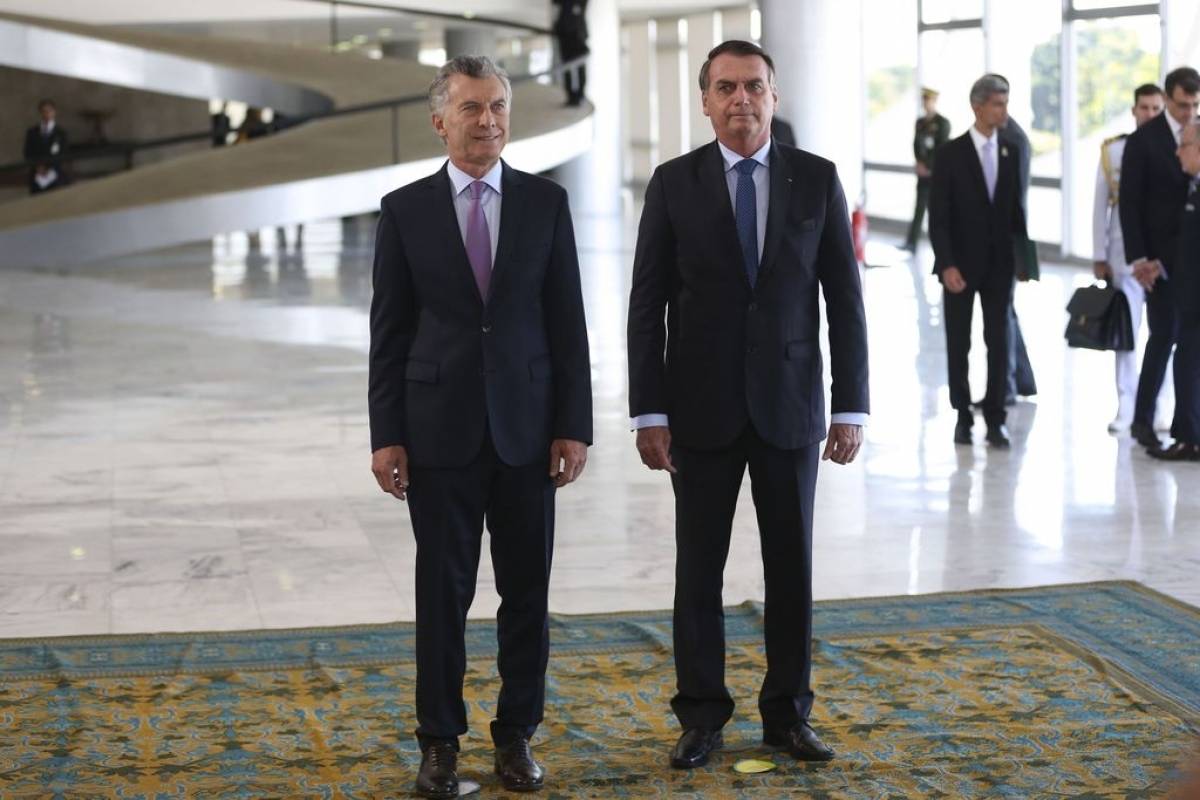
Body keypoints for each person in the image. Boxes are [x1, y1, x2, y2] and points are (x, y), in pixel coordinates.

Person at [627, 40, 869, 770]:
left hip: (791, 408)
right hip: (698, 410)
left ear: (774, 95)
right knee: (697, 570)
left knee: (790, 566)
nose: (742, 99)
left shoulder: (817, 180)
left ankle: (787, 715)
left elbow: (844, 301)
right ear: (705, 100)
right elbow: (647, 304)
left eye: (755, 86)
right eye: (726, 87)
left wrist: (850, 405)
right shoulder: (674, 184)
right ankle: (701, 715)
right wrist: (649, 412)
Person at [368, 55, 592, 798]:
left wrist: (574, 425)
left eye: (497, 105)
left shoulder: (545, 203)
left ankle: (516, 736)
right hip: (438, 434)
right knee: (443, 594)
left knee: (527, 594)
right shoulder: (403, 210)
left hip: (529, 433)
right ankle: (439, 745)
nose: (488, 120)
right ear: (440, 121)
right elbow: (390, 333)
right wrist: (386, 435)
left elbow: (568, 324)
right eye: (471, 107)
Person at [928, 74, 1030, 448]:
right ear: (978, 107)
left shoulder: (1012, 150)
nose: (1004, 111)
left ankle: (996, 417)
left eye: (1005, 103)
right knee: (959, 341)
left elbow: (1017, 211)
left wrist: (1023, 261)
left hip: (1001, 266)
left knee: (999, 340)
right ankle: (961, 415)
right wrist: (947, 264)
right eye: (998, 104)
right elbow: (937, 217)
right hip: (959, 265)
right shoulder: (949, 154)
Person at [1120, 66, 1200, 450]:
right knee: (1163, 335)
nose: (1189, 113)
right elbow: (1130, 206)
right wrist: (1139, 258)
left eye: (1195, 105)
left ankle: (1187, 422)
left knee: (1191, 340)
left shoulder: (1198, 131)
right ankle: (1142, 419)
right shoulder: (1143, 141)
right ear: (1168, 99)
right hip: (1159, 260)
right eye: (1183, 105)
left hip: (1194, 257)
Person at [1092, 84, 1166, 434]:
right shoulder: (1115, 150)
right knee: (1127, 334)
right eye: (1144, 108)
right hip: (1123, 255)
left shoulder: (1177, 147)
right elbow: (1100, 205)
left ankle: (1160, 406)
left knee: (1166, 334)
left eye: (1156, 108)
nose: (1149, 115)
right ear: (1134, 110)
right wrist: (1098, 253)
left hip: (1164, 258)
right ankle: (1126, 404)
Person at [1149, 115, 1200, 461]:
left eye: (1184, 145)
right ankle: (1188, 435)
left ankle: (1191, 438)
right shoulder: (1193, 188)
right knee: (1186, 365)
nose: (1179, 153)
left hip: (1196, 302)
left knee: (1188, 366)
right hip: (1187, 298)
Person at [903, 87, 950, 251]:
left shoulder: (942, 123)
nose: (925, 103)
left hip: (936, 175)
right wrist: (919, 163)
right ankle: (911, 243)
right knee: (918, 209)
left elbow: (942, 149)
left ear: (935, 101)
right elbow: (916, 145)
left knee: (936, 213)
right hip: (922, 174)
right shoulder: (920, 122)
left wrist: (929, 167)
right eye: (924, 100)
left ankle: (941, 248)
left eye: (928, 100)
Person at [23, 99, 70, 195]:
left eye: (49, 111)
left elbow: (64, 154)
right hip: (37, 176)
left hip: (55, 176)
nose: (47, 114)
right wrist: (38, 167)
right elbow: (27, 152)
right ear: (40, 113)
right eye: (44, 111)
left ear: (54, 112)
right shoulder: (32, 132)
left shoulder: (61, 133)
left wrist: (48, 168)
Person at [552, 0, 589, 106]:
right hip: (564, 33)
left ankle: (580, 95)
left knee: (580, 66)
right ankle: (571, 97)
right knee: (567, 67)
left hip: (577, 34)